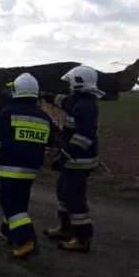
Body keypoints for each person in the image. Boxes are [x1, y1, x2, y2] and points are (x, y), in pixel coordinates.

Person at [0, 73, 53, 259]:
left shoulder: (8, 112)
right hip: (31, 171)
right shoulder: (44, 117)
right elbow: (53, 141)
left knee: (10, 204)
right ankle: (8, 233)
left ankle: (27, 241)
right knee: (19, 203)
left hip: (9, 168)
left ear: (17, 90)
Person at [41, 65, 103, 253]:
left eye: (70, 82)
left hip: (79, 161)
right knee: (63, 192)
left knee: (74, 198)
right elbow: (63, 101)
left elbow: (85, 137)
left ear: (78, 84)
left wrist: (64, 155)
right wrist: (45, 95)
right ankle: (66, 228)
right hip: (72, 159)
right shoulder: (77, 100)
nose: (68, 85)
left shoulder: (85, 107)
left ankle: (82, 238)